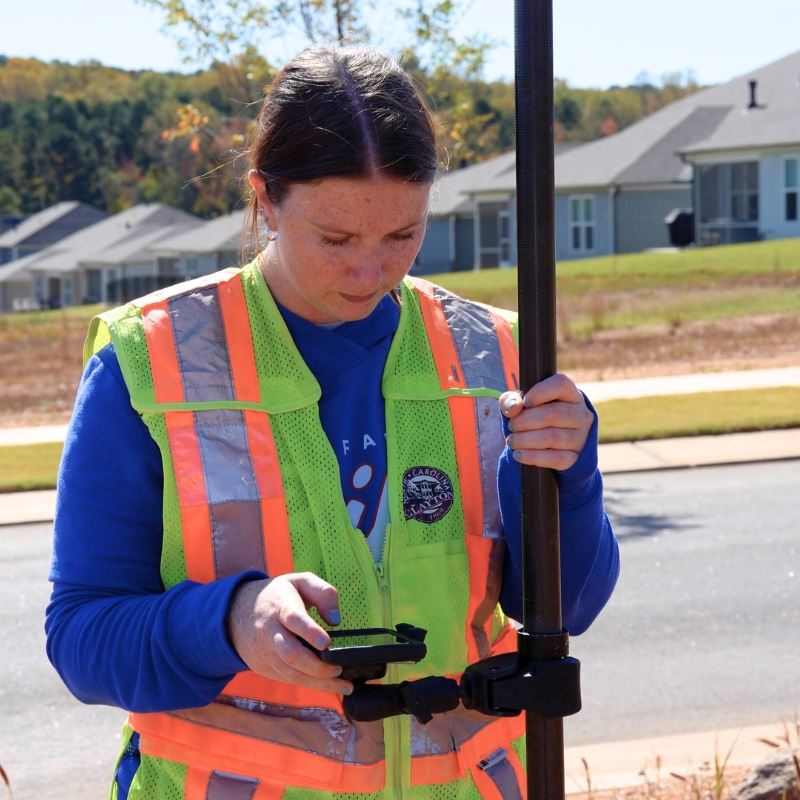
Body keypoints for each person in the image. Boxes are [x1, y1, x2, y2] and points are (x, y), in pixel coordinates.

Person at [46, 45, 619, 799]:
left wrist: (572, 479)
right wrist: (232, 622)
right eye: (336, 239)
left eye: (403, 235)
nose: (371, 271)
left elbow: (568, 605)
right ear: (265, 200)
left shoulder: (495, 351)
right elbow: (82, 641)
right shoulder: (149, 360)